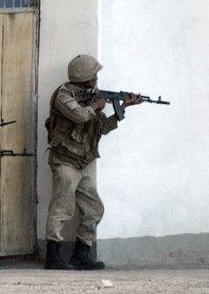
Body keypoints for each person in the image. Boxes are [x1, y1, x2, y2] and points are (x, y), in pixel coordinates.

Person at [44, 54, 142, 270]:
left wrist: (122, 107)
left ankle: (81, 254)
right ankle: (52, 256)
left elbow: (102, 128)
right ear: (84, 77)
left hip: (83, 162)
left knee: (94, 208)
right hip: (65, 161)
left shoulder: (91, 97)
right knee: (62, 208)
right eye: (93, 75)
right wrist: (97, 105)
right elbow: (79, 116)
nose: (97, 78)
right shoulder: (64, 95)